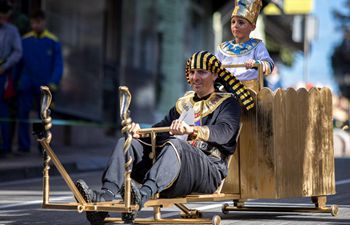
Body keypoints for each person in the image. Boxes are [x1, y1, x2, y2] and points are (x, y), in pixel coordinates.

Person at [75, 51, 254, 225]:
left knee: (175, 144)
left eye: (202, 72)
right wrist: (139, 133)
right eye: (192, 72)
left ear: (215, 75)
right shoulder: (183, 103)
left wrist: (191, 130)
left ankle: (143, 195)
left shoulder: (228, 103)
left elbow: (225, 132)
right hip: (173, 169)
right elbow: (159, 131)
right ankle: (103, 199)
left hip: (208, 171)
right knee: (127, 143)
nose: (195, 77)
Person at [16, 10, 63, 154]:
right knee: (23, 114)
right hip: (26, 84)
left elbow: (58, 65)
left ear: (44, 22)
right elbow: (19, 64)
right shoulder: (25, 40)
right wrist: (17, 82)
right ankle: (23, 146)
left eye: (39, 22)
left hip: (45, 86)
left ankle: (43, 146)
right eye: (34, 22)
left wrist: (53, 83)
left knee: (43, 117)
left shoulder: (53, 41)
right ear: (31, 23)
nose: (36, 25)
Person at [215, 0, 274, 91]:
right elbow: (213, 69)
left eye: (241, 22)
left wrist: (256, 63)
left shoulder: (257, 46)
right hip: (225, 91)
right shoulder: (222, 48)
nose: (235, 25)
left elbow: (269, 65)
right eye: (233, 22)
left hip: (250, 91)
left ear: (252, 27)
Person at [0, 1, 22, 158]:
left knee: (4, 111)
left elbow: (17, 52)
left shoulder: (12, 31)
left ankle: (5, 147)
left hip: (3, 75)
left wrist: (5, 66)